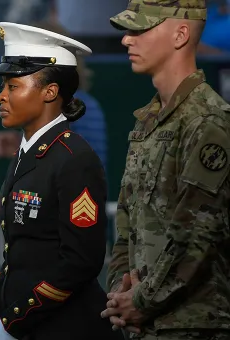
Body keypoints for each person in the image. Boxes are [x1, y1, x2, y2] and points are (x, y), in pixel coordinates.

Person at [0, 22, 124, 340]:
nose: (1, 96)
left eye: (13, 86)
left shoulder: (74, 158)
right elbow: (19, 252)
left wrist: (14, 321)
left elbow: (79, 262)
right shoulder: (30, 153)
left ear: (50, 91)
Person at [102, 1, 230, 339]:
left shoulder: (208, 121)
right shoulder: (148, 122)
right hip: (144, 324)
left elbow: (196, 234)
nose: (127, 40)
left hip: (195, 325)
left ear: (181, 34)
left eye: (139, 29)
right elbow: (127, 225)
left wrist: (140, 301)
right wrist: (120, 294)